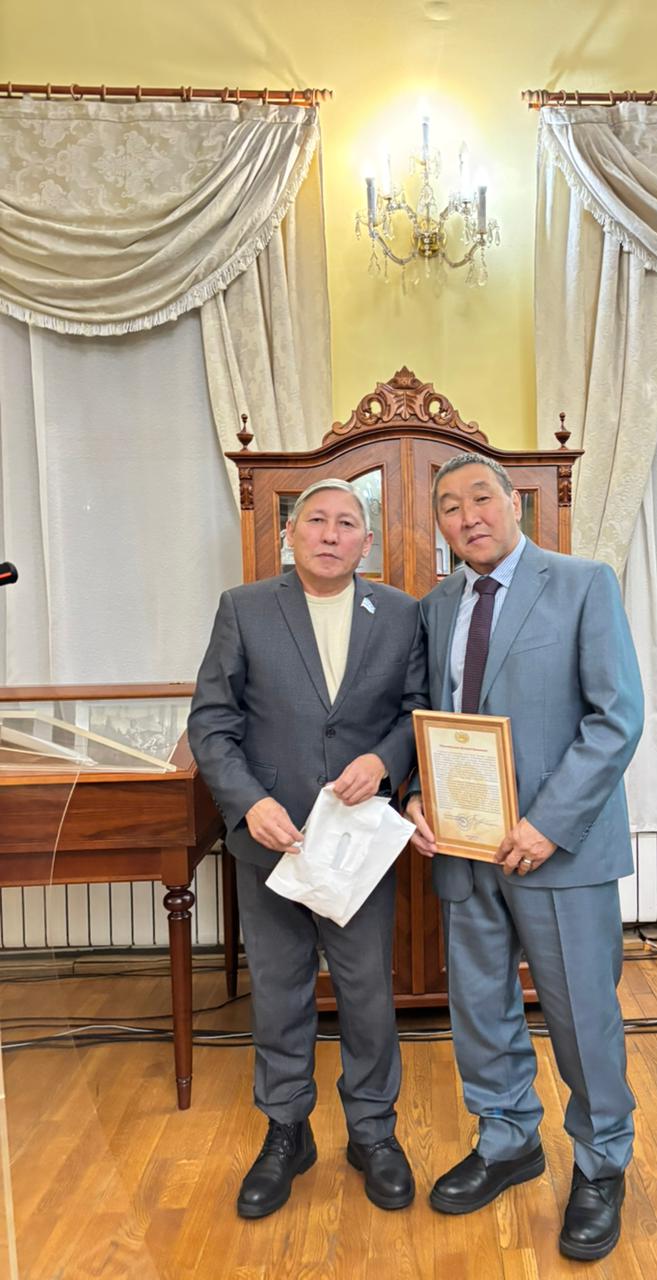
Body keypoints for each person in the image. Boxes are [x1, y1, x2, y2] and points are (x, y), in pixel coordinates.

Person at [406, 452, 644, 1262]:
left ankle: (602, 1162)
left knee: (580, 1011)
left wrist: (548, 823)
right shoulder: (437, 605)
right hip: (464, 845)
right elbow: (427, 714)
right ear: (439, 525)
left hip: (558, 850)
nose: (467, 515)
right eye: (449, 506)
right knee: (479, 1005)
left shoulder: (583, 584)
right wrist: (418, 796)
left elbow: (616, 719)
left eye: (481, 497)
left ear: (515, 503)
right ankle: (507, 1138)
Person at [188, 478, 427, 1220]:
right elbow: (211, 723)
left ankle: (374, 1132)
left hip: (356, 847)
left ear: (367, 541)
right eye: (315, 520)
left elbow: (417, 711)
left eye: (346, 523)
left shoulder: (401, 613)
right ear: (289, 536)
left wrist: (385, 760)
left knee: (366, 993)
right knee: (280, 991)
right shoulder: (245, 608)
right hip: (272, 842)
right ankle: (286, 1132)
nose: (330, 534)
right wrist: (249, 803)